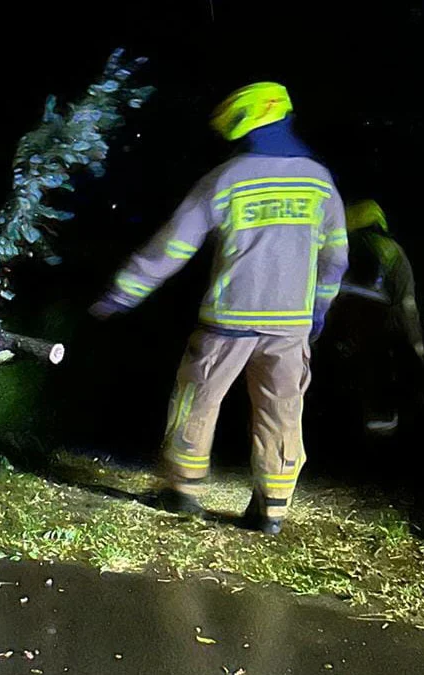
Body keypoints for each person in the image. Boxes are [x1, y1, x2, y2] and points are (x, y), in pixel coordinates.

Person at [90, 82, 348, 534]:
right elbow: (335, 257)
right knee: (282, 410)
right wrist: (319, 311)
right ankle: (272, 509)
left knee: (197, 400)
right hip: (289, 324)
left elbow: (172, 246)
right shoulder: (319, 182)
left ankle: (183, 490)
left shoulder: (226, 179)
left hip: (229, 321)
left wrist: (123, 292)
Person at [332, 200, 424, 433]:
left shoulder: (334, 247)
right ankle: (381, 431)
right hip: (377, 324)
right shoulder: (393, 251)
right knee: (379, 376)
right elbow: (406, 303)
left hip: (336, 322)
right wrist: (418, 347)